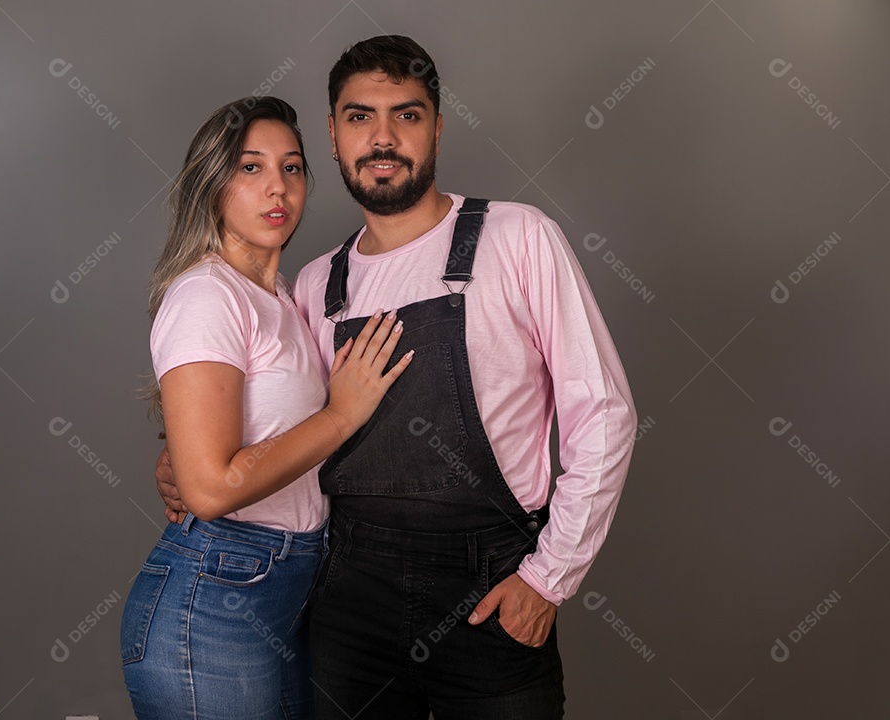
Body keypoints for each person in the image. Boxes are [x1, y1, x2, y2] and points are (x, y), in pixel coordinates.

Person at [159, 35, 637, 719]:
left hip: (491, 586)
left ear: (437, 128)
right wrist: (182, 460)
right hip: (348, 596)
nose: (382, 138)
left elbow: (605, 413)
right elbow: (268, 412)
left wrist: (550, 577)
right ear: (332, 135)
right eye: (360, 118)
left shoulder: (517, 238)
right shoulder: (317, 284)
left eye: (406, 116)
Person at [121, 95, 412, 720]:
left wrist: (179, 457)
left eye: (293, 167)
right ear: (212, 180)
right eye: (250, 167)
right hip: (215, 601)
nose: (277, 187)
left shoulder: (283, 296)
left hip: (291, 588)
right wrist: (341, 415)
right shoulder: (206, 293)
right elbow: (210, 488)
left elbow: (247, 435)